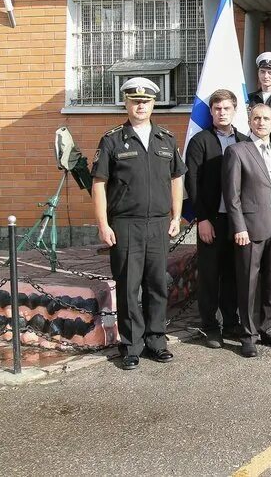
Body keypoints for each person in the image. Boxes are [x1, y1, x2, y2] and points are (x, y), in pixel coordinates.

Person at [91, 77, 186, 371]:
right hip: (126, 224)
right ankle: (131, 345)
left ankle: (156, 340)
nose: (140, 105)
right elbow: (98, 184)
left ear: (154, 104)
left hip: (159, 224)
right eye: (135, 100)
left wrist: (176, 215)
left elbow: (176, 178)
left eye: (145, 101)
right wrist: (103, 224)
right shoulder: (112, 140)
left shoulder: (166, 139)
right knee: (129, 286)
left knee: (157, 285)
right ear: (126, 103)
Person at [223, 104, 271, 357]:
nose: (261, 122)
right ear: (249, 122)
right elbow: (232, 195)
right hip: (249, 229)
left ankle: (270, 329)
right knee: (248, 283)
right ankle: (248, 335)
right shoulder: (237, 151)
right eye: (256, 118)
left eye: (266, 119)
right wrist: (238, 226)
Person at [183, 88, 247, 349]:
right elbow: (192, 182)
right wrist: (202, 219)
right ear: (211, 112)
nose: (222, 112)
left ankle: (231, 322)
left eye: (227, 108)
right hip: (212, 219)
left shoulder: (244, 141)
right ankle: (210, 326)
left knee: (233, 274)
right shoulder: (200, 141)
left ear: (234, 110)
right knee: (210, 275)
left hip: (236, 221)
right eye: (217, 108)